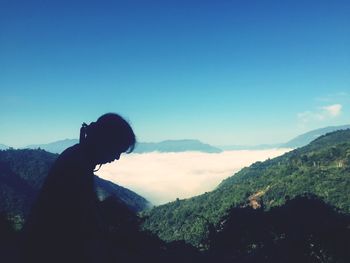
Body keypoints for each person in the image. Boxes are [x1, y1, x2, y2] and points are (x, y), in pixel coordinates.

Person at [22, 113, 136, 263]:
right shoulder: (76, 166)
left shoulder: (78, 156)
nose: (117, 157)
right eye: (117, 149)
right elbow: (71, 225)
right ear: (106, 141)